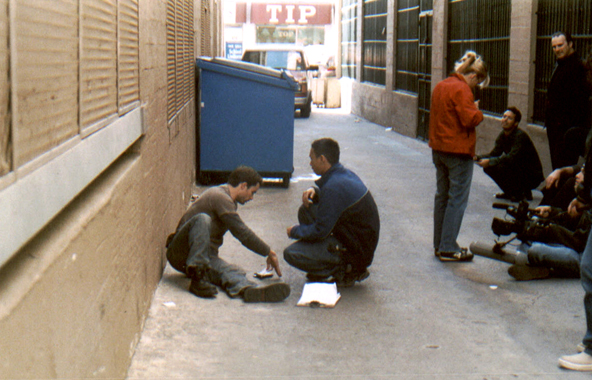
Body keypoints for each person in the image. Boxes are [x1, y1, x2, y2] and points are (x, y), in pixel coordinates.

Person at [165, 166, 290, 302]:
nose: (252, 198)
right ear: (243, 186)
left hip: (202, 256)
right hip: (179, 251)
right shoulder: (220, 196)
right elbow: (242, 232)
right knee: (202, 219)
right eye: (252, 192)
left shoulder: (229, 201)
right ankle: (197, 280)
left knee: (232, 271)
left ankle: (249, 291)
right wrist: (268, 251)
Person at [283, 138, 380, 287]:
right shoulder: (342, 175)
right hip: (355, 237)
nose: (310, 164)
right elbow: (335, 203)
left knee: (291, 253)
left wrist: (295, 231)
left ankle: (344, 268)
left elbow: (320, 230)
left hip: (357, 251)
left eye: (311, 158)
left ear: (322, 159)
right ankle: (330, 260)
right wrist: (315, 192)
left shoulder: (333, 187)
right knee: (306, 211)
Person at [429, 51, 489, 261]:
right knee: (457, 199)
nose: (476, 87)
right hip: (458, 151)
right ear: (474, 76)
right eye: (478, 82)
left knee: (442, 197)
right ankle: (448, 246)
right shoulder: (462, 89)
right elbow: (469, 119)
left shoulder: (441, 85)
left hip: (439, 149)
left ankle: (439, 244)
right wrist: (477, 111)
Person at [475, 107, 544, 202]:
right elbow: (494, 154)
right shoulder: (503, 135)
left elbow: (511, 158)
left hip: (532, 176)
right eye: (504, 116)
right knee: (489, 167)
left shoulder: (520, 136)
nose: (505, 120)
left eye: (509, 118)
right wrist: (477, 157)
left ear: (516, 123)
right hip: (519, 170)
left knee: (502, 165)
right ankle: (510, 193)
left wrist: (490, 161)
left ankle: (521, 192)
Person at [545, 31, 591, 170]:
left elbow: (580, 101)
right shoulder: (560, 64)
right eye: (554, 47)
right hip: (555, 128)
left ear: (570, 44)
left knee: (563, 167)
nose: (557, 49)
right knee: (557, 166)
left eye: (560, 45)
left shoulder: (579, 66)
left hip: (567, 130)